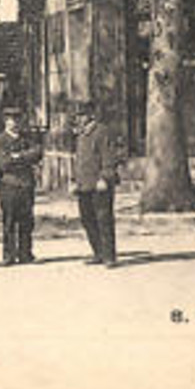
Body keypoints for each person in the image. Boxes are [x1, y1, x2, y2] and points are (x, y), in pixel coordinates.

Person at [71, 103, 125, 267]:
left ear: (90, 116)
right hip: (84, 184)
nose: (79, 119)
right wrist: (74, 180)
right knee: (87, 219)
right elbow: (79, 161)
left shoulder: (102, 132)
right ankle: (98, 252)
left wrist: (105, 177)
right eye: (77, 116)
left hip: (100, 184)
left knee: (104, 219)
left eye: (82, 115)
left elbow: (109, 157)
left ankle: (109, 256)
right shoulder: (81, 135)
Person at [0, 111, 44, 266]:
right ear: (5, 122)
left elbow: (37, 153)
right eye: (10, 120)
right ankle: (9, 255)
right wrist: (25, 158)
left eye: (16, 120)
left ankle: (25, 253)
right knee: (9, 221)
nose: (13, 123)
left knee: (27, 220)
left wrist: (18, 157)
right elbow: (4, 163)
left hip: (26, 184)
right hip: (9, 185)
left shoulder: (27, 138)